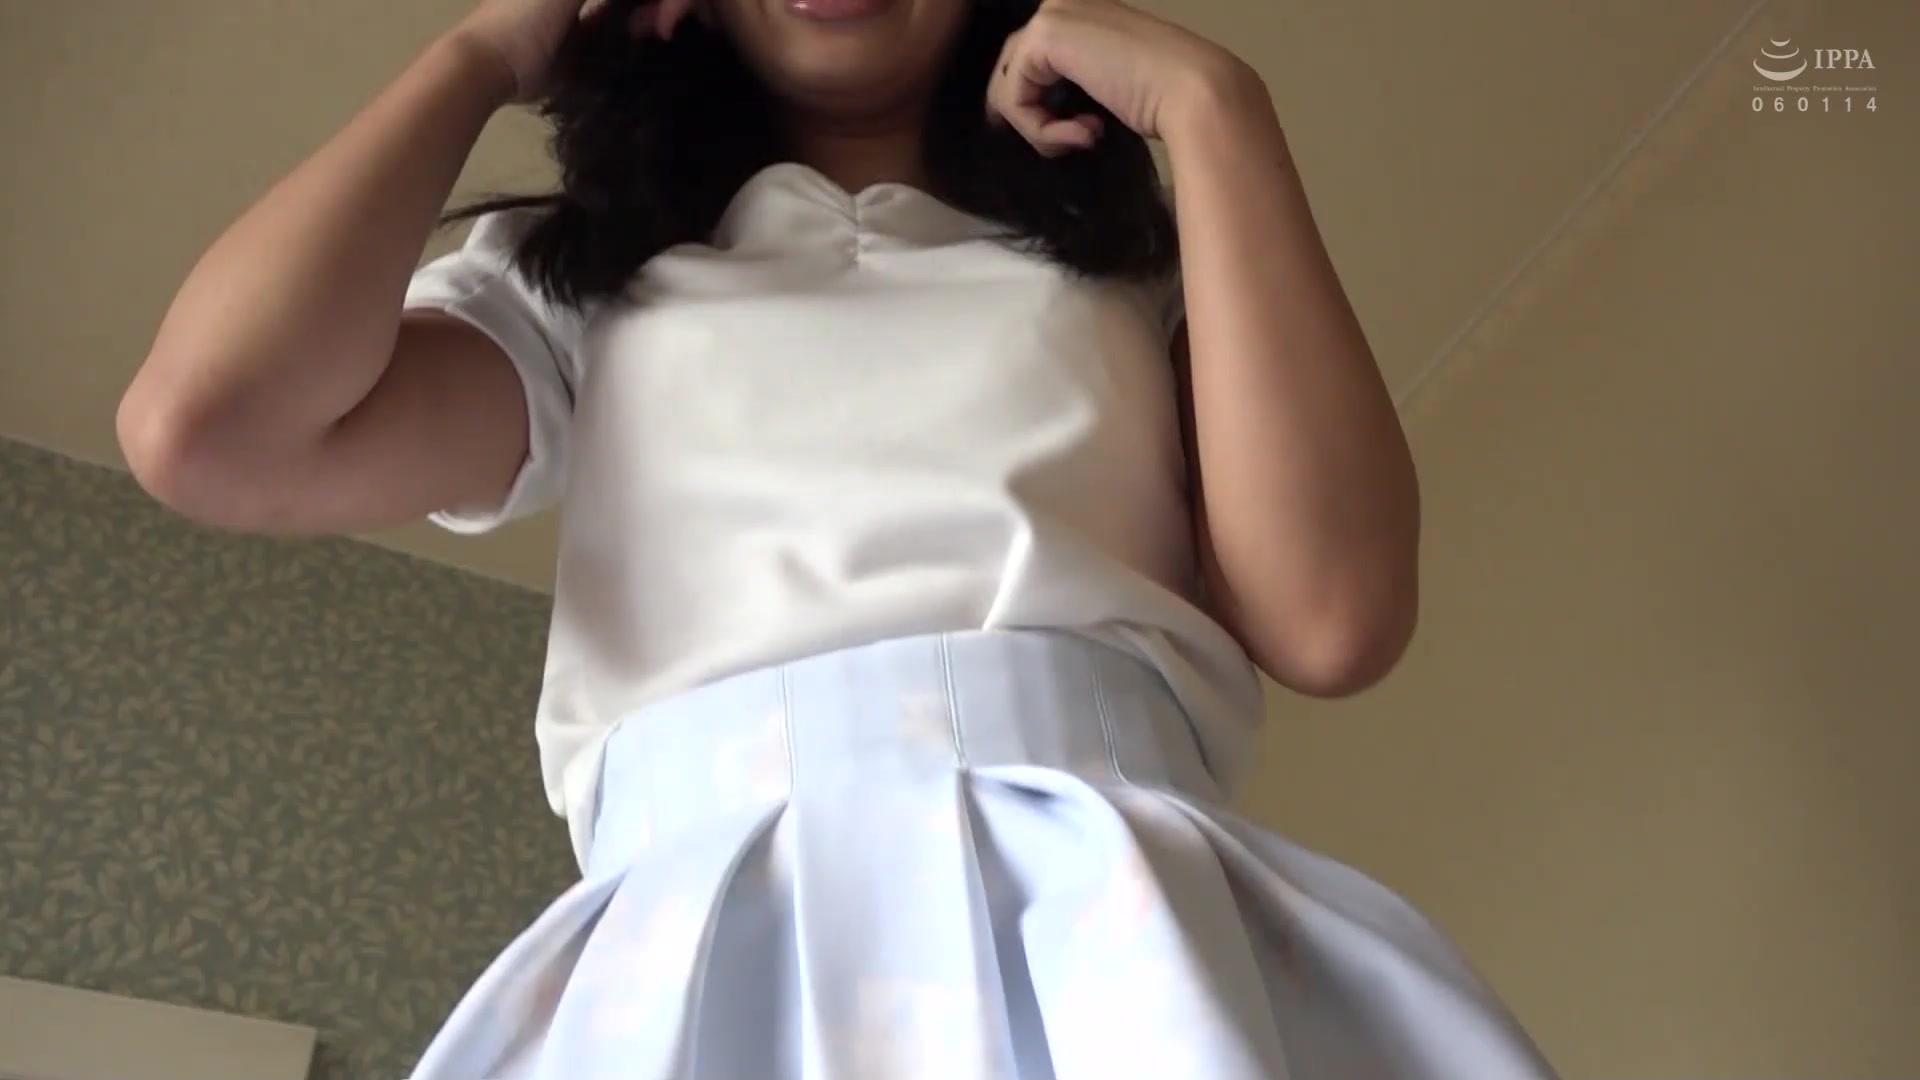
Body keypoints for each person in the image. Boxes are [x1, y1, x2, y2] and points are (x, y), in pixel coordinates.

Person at [117, 0, 1560, 1075]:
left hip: (1118, 918)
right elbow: (209, 430)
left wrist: (1212, 102)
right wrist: (485, 51)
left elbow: (1333, 616)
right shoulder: (584, 286)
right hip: (702, 945)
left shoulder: (1136, 280)